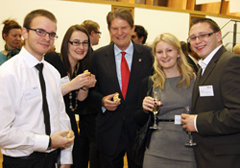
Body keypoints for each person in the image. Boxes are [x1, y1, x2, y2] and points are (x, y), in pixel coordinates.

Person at [0, 9, 74, 168]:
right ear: (25, 33)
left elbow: (61, 116)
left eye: (52, 34)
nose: (47, 38)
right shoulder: (8, 74)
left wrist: (66, 159)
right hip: (22, 162)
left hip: (52, 159)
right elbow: (2, 133)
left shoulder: (52, 72)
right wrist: (47, 142)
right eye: (40, 31)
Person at [89, 8, 153, 168]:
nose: (119, 32)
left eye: (124, 27)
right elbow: (90, 92)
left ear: (132, 29)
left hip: (139, 131)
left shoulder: (149, 55)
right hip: (108, 132)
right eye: (114, 28)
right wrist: (102, 101)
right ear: (109, 31)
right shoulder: (98, 56)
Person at [181, 18, 240, 168]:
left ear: (218, 36)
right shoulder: (204, 67)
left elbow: (237, 115)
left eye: (203, 35)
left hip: (224, 157)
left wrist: (197, 122)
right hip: (207, 154)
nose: (197, 41)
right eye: (193, 38)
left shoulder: (230, 63)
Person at [135, 33, 196, 168]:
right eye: (159, 52)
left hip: (188, 148)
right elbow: (138, 120)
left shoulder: (194, 80)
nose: (164, 55)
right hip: (156, 150)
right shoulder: (150, 82)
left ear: (178, 53)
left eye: (169, 50)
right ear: (155, 55)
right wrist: (144, 110)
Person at [45, 24, 96, 168]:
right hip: (51, 123)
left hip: (69, 121)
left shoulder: (81, 67)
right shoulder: (53, 60)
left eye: (85, 43)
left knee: (76, 160)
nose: (81, 47)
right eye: (76, 42)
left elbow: (80, 100)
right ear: (67, 43)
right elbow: (46, 96)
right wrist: (72, 85)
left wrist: (85, 86)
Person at [80, 20, 102, 168]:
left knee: (84, 141)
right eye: (99, 33)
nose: (100, 37)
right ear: (92, 33)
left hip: (83, 107)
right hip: (90, 107)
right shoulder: (90, 56)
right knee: (94, 142)